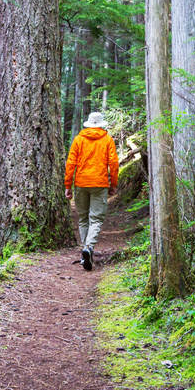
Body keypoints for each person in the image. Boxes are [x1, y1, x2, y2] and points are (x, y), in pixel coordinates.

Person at [64, 111, 119, 271]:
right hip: (100, 183)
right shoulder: (107, 139)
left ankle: (85, 252)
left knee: (83, 218)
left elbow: (70, 163)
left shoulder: (79, 139)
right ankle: (88, 248)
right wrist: (113, 183)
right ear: (101, 125)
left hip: (81, 183)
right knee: (96, 218)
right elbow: (114, 163)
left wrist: (68, 185)